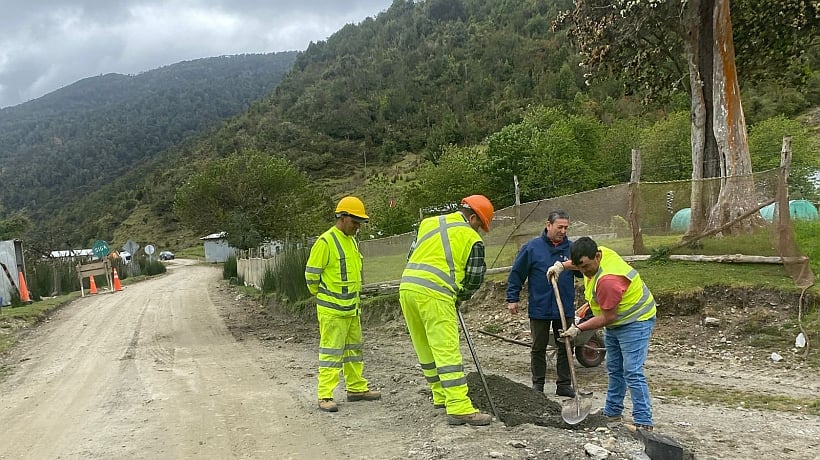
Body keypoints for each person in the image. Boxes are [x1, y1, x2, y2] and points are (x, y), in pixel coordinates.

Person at [399, 195, 495, 426]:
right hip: (435, 294)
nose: (479, 231)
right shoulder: (471, 239)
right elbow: (473, 278)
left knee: (424, 346)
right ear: (472, 218)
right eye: (480, 226)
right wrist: (460, 296)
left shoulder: (428, 223)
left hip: (407, 288)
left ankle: (440, 394)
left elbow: (412, 255)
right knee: (446, 351)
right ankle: (459, 407)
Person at [549, 236, 657, 431]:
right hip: (619, 321)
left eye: (586, 266)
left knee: (632, 370)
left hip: (636, 321)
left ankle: (644, 421)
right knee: (615, 368)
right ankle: (613, 411)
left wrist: (579, 328)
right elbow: (579, 261)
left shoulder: (608, 280)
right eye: (579, 266)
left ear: (597, 256)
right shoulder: (597, 254)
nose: (583, 272)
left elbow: (609, 317)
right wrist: (562, 267)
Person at [305, 196, 381, 413]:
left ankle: (356, 388)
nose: (358, 226)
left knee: (353, 351)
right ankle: (325, 395)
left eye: (360, 222)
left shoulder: (351, 241)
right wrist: (325, 297)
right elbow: (311, 277)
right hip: (333, 312)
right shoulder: (325, 242)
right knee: (331, 354)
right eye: (355, 221)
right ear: (343, 217)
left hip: (351, 310)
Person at [506, 210, 580, 398]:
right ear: (548, 225)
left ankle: (563, 384)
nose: (563, 231)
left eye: (566, 227)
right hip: (540, 306)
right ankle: (538, 384)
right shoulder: (532, 248)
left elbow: (583, 271)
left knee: (565, 345)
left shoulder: (571, 249)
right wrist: (512, 298)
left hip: (564, 306)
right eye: (559, 227)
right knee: (538, 346)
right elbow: (517, 274)